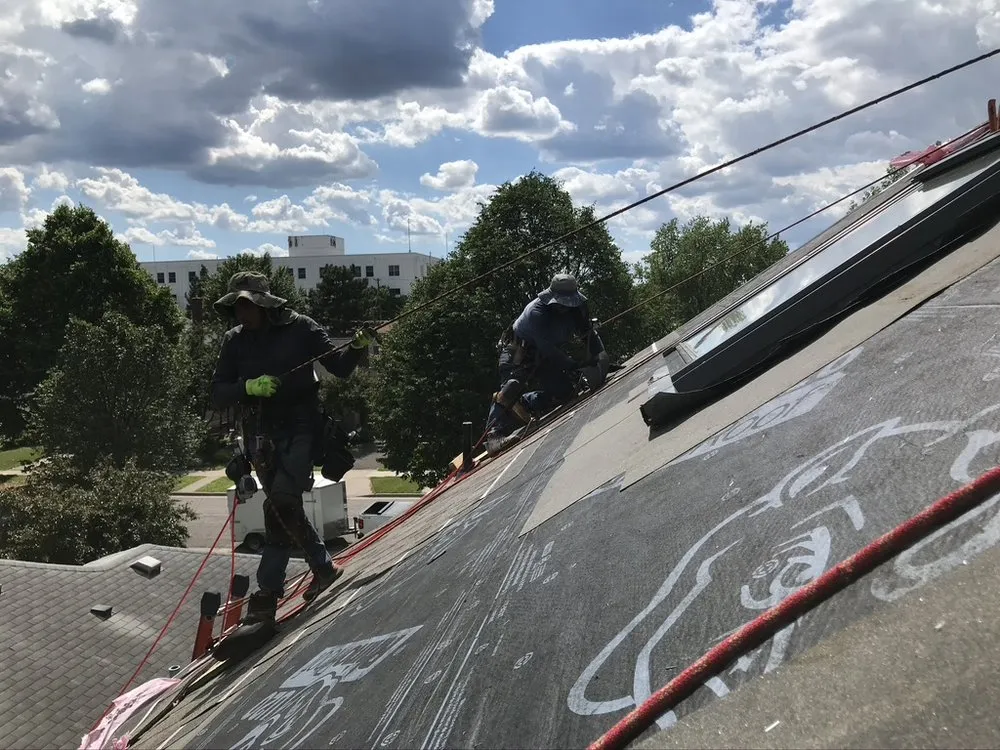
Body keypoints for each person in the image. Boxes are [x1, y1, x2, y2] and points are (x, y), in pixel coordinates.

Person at [210, 271, 375, 627]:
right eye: (236, 306)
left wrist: (358, 346)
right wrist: (248, 387)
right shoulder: (234, 341)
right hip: (260, 436)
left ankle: (267, 592)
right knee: (286, 510)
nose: (241, 314)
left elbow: (341, 368)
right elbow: (218, 391)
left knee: (281, 503)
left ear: (264, 304)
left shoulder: (302, 328)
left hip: (302, 427)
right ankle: (324, 566)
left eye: (247, 305)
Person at [484, 273, 600, 455]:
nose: (564, 307)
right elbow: (549, 351)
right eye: (562, 303)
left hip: (544, 356)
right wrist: (574, 365)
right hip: (518, 353)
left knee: (565, 393)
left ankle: (525, 403)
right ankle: (494, 435)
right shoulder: (536, 313)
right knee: (511, 387)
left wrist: (598, 358)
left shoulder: (577, 309)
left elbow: (588, 333)